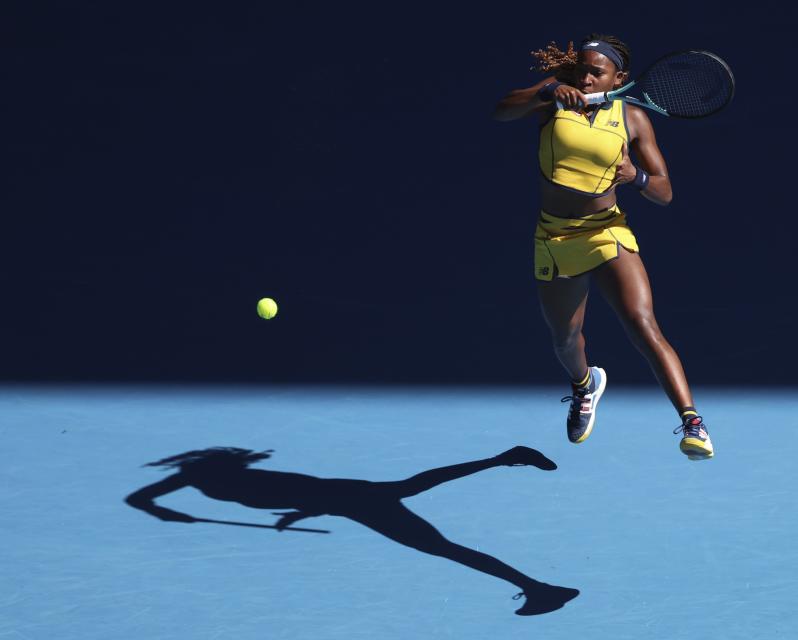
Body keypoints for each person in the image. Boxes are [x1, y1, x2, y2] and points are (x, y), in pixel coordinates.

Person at [493, 35, 713, 460]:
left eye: (597, 71)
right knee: (565, 338)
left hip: (607, 232)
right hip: (556, 237)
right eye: (582, 69)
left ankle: (692, 423)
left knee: (642, 322)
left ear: (620, 78)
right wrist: (546, 89)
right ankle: (584, 386)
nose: (587, 77)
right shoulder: (554, 100)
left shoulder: (632, 120)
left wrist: (637, 177)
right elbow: (501, 110)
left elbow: (665, 191)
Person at [125, 446, 579, 615]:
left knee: (442, 544)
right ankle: (504, 462)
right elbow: (141, 498)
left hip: (349, 500)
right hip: (344, 499)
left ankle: (539, 586)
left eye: (193, 470)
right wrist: (164, 512)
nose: (187, 473)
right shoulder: (207, 478)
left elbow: (310, 494)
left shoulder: (236, 481)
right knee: (417, 493)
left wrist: (302, 513)